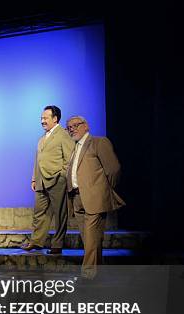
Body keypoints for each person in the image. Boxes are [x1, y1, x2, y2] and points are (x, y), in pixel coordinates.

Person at [65, 116, 125, 279]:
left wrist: (103, 190)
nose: (72, 129)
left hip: (94, 198)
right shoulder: (75, 147)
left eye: (76, 125)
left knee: (91, 238)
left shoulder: (99, 142)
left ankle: (88, 273)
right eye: (69, 127)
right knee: (90, 239)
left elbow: (113, 169)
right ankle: (100, 269)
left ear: (86, 126)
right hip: (77, 198)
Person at [21, 105, 75, 255]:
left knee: (59, 214)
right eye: (41, 118)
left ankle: (57, 244)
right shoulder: (42, 138)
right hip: (41, 180)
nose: (42, 121)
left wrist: (63, 175)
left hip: (57, 180)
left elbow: (69, 158)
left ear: (55, 118)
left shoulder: (63, 135)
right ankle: (37, 242)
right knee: (39, 213)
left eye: (45, 118)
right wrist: (33, 179)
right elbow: (37, 160)